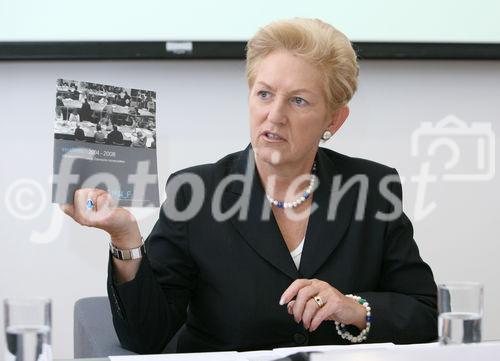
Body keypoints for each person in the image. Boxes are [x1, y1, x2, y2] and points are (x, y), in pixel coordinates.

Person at [61, 18, 437, 354]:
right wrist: (126, 238)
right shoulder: (195, 192)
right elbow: (147, 337)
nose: (275, 115)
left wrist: (354, 308)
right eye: (264, 94)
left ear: (334, 120)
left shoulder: (371, 188)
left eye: (299, 101)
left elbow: (425, 313)